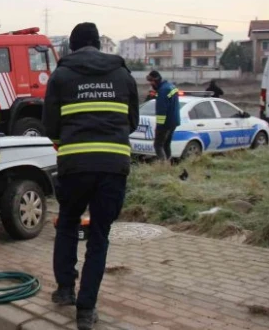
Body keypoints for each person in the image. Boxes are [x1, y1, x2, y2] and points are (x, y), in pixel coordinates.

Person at [42, 22, 139, 330]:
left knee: (68, 223)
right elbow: (133, 122)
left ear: (72, 46)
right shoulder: (123, 75)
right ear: (99, 44)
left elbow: (50, 127)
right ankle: (85, 311)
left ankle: (66, 290)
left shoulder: (61, 75)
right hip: (113, 165)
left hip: (74, 165)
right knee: (99, 235)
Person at [146, 70, 181, 161]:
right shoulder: (171, 86)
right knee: (166, 144)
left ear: (155, 81)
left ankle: (163, 165)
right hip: (174, 121)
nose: (151, 85)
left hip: (165, 123)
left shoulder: (162, 91)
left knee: (158, 145)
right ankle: (168, 164)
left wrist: (159, 126)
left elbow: (162, 110)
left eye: (151, 82)